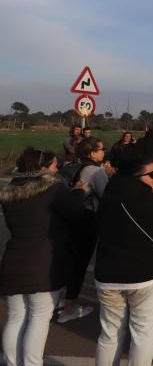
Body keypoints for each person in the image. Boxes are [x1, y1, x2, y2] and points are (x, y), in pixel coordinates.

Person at [94, 154, 153, 366]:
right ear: (137, 177)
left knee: (109, 334)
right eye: (152, 174)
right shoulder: (146, 197)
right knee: (143, 334)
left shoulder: (109, 192)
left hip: (108, 274)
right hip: (146, 274)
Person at [1, 148, 83, 366]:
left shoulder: (10, 190)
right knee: (39, 317)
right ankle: (31, 363)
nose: (57, 170)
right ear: (43, 168)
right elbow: (76, 214)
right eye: (55, 166)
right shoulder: (53, 189)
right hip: (43, 262)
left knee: (16, 317)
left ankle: (11, 362)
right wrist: (78, 193)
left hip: (13, 258)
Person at [59, 136, 109, 324]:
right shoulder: (96, 171)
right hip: (87, 220)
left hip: (73, 219)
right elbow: (106, 197)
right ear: (92, 153)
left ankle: (61, 300)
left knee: (70, 260)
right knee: (80, 264)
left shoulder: (77, 166)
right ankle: (69, 307)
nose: (104, 151)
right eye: (101, 148)